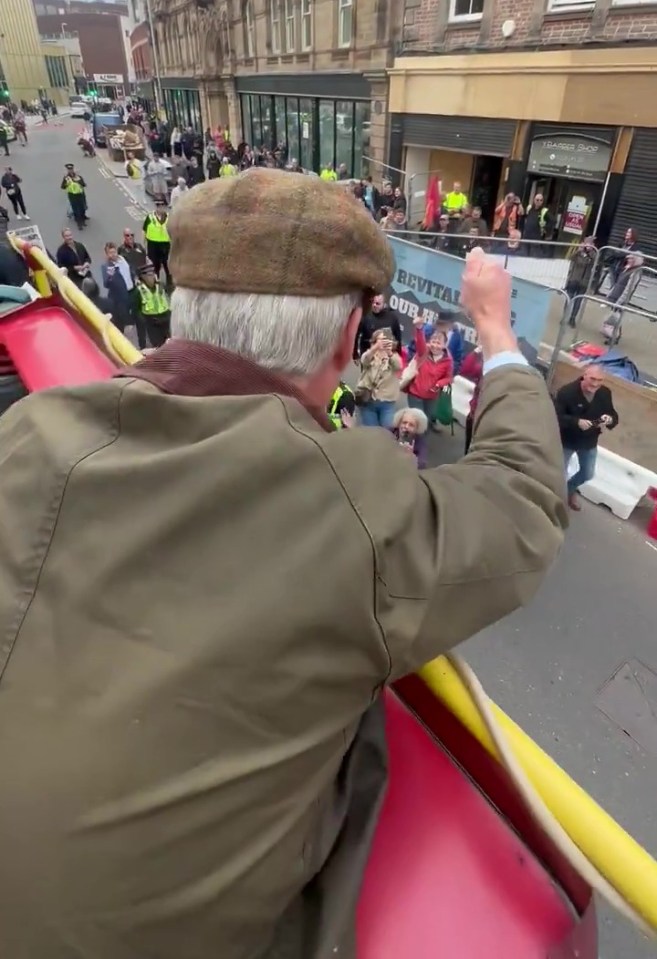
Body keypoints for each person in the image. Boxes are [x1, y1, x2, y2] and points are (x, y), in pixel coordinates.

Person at [0, 169, 567, 959]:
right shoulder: (348, 501)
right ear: (344, 340)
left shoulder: (27, 431)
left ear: (186, 309)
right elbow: (520, 498)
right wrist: (498, 334)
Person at [554, 363, 619, 511]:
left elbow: (613, 414)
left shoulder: (604, 393)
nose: (595, 384)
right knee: (558, 474)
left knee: (587, 473)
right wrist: (576, 422)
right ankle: (555, 501)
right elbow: (556, 416)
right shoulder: (566, 392)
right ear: (585, 375)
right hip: (567, 439)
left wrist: (610, 419)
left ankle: (569, 490)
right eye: (592, 379)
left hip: (589, 440)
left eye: (600, 380)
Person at [405, 317, 454, 424]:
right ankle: (406, 439)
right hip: (415, 394)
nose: (435, 346)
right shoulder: (424, 351)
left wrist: (439, 384)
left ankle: (417, 440)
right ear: (429, 342)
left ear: (444, 345)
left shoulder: (448, 360)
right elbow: (420, 342)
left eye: (438, 343)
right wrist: (419, 328)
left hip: (431, 398)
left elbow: (449, 378)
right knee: (416, 421)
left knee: (425, 423)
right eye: (433, 342)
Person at [356, 327, 402, 428]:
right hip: (368, 400)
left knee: (387, 430)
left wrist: (389, 353)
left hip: (387, 402)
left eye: (386, 340)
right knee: (372, 431)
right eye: (380, 340)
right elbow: (364, 361)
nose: (383, 343)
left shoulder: (394, 356)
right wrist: (375, 348)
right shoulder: (370, 354)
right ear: (375, 341)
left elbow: (398, 366)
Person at [101, 241, 137, 339]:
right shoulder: (106, 267)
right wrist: (110, 277)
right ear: (107, 254)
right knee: (125, 318)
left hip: (132, 290)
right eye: (110, 253)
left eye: (114, 252)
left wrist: (135, 277)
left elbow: (130, 269)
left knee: (135, 312)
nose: (113, 254)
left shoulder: (123, 259)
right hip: (120, 296)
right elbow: (106, 284)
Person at [353, 293, 402, 360]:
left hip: (384, 357)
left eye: (377, 303)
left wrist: (398, 356)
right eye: (373, 302)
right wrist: (355, 353)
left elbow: (398, 338)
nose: (374, 305)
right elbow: (357, 335)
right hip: (368, 355)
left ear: (384, 304)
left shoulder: (392, 318)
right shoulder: (366, 315)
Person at [135, 262, 171, 347]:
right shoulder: (138, 291)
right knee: (158, 346)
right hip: (152, 321)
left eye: (153, 274)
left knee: (170, 344)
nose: (151, 277)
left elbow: (167, 301)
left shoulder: (161, 286)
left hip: (165, 318)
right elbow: (136, 309)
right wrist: (144, 320)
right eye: (148, 275)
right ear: (142, 277)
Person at [565, 236, 597, 328]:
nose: (588, 245)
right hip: (574, 279)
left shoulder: (594, 254)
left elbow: (594, 263)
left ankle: (572, 318)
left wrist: (590, 252)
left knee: (578, 301)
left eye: (591, 244)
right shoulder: (579, 252)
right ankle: (565, 316)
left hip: (583, 281)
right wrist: (579, 250)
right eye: (587, 243)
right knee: (568, 298)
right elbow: (571, 258)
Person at [460, 346, 484, 454]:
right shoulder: (485, 361)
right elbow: (466, 370)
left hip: (488, 417)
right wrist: (476, 352)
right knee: (468, 447)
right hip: (474, 413)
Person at [143, 201, 172, 287]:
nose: (160, 208)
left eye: (162, 206)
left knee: (166, 263)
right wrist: (143, 243)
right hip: (153, 244)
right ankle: (156, 281)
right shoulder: (150, 217)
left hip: (165, 244)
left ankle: (169, 281)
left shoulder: (169, 218)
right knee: (155, 265)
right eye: (158, 206)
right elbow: (144, 230)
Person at [61, 162, 87, 229]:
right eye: (69, 169)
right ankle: (79, 223)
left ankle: (83, 218)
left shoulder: (78, 176)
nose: (70, 170)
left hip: (80, 194)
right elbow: (62, 187)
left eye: (71, 169)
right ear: (67, 170)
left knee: (82, 207)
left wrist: (78, 180)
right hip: (72, 196)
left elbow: (84, 184)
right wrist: (67, 184)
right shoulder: (66, 178)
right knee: (76, 209)